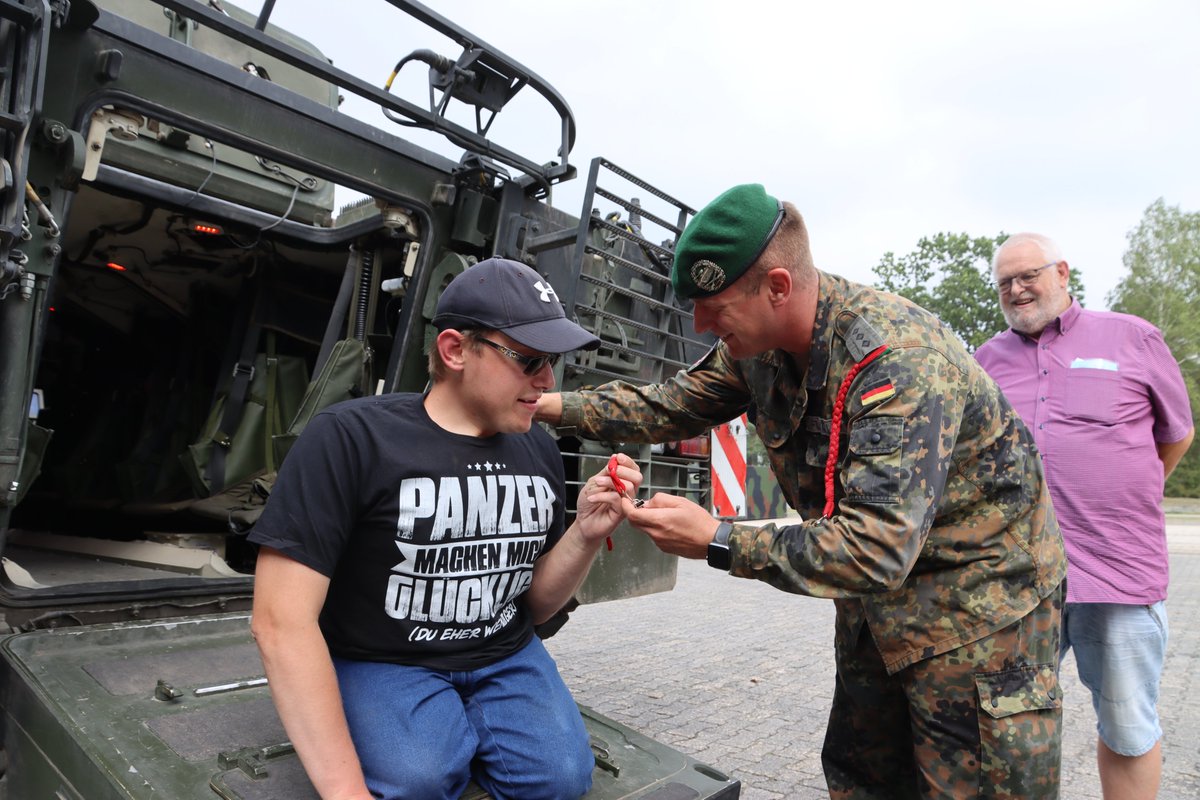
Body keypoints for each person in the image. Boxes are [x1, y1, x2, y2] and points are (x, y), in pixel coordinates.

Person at [536, 184, 1069, 799]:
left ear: (779, 287)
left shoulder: (897, 363)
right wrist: (542, 405)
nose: (700, 323)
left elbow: (874, 548)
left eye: (713, 306)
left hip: (978, 614)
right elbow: (671, 404)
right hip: (878, 611)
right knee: (864, 778)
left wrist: (717, 540)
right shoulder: (756, 348)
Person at [249, 257, 642, 800]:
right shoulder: (349, 439)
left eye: (552, 362)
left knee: (561, 779)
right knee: (420, 779)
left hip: (504, 653)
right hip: (383, 659)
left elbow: (533, 606)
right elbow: (280, 622)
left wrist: (586, 533)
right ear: (455, 350)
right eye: (529, 360)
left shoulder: (539, 449)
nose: (547, 382)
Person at [975, 233, 1194, 800]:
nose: (1017, 290)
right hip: (1018, 581)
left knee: (1126, 729)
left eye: (1028, 275)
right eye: (1005, 282)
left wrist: (1125, 493)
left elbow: (1177, 435)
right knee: (1004, 729)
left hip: (1116, 575)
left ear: (1063, 272)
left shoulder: (1132, 337)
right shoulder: (985, 361)